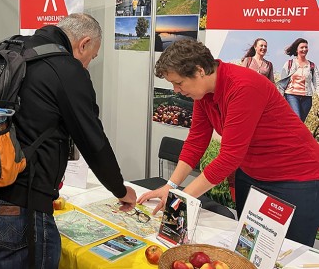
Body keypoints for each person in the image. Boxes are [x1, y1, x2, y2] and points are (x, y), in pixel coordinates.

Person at [0, 13, 137, 268]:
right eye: (91, 57)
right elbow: (92, 140)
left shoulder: (8, 48)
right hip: (19, 204)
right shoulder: (66, 69)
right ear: (83, 44)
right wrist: (119, 189)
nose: (87, 64)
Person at [137, 39, 319, 247]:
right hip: (252, 174)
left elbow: (228, 158)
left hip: (295, 178)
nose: (176, 90)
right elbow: (196, 142)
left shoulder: (243, 86)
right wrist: (171, 186)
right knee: (250, 249)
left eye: (178, 83)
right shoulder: (203, 94)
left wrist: (180, 201)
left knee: (286, 252)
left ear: (199, 71)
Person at [277, 38, 318, 122]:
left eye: (306, 47)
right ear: (297, 49)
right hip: (292, 95)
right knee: (297, 119)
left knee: (300, 123)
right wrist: (280, 99)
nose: (304, 49)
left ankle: (290, 134)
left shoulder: (312, 66)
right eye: (302, 47)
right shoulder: (289, 64)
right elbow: (281, 84)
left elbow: (317, 83)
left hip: (307, 97)